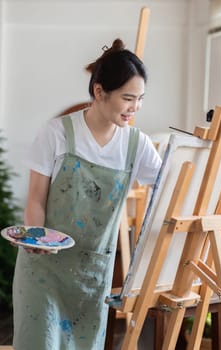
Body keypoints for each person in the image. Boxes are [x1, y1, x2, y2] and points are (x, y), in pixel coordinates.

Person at [12, 38, 162, 350]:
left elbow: (171, 190)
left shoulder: (137, 145)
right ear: (99, 92)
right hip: (43, 272)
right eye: (128, 98)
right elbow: (36, 199)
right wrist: (36, 240)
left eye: (141, 98)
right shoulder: (56, 133)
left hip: (91, 278)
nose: (136, 107)